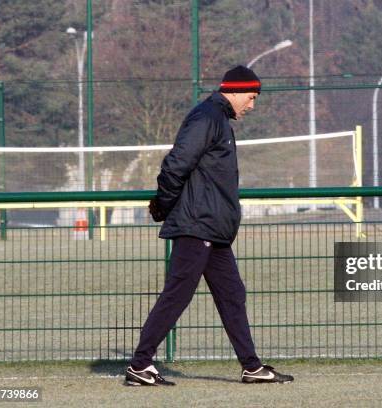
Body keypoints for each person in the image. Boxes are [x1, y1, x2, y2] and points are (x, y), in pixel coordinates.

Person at [126, 65, 294, 386]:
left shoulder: (217, 119)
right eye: (251, 97)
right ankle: (140, 364)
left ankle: (252, 366)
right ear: (234, 90)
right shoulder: (207, 118)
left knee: (232, 294)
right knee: (177, 295)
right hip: (197, 226)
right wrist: (163, 204)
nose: (252, 105)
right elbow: (176, 164)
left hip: (212, 230)